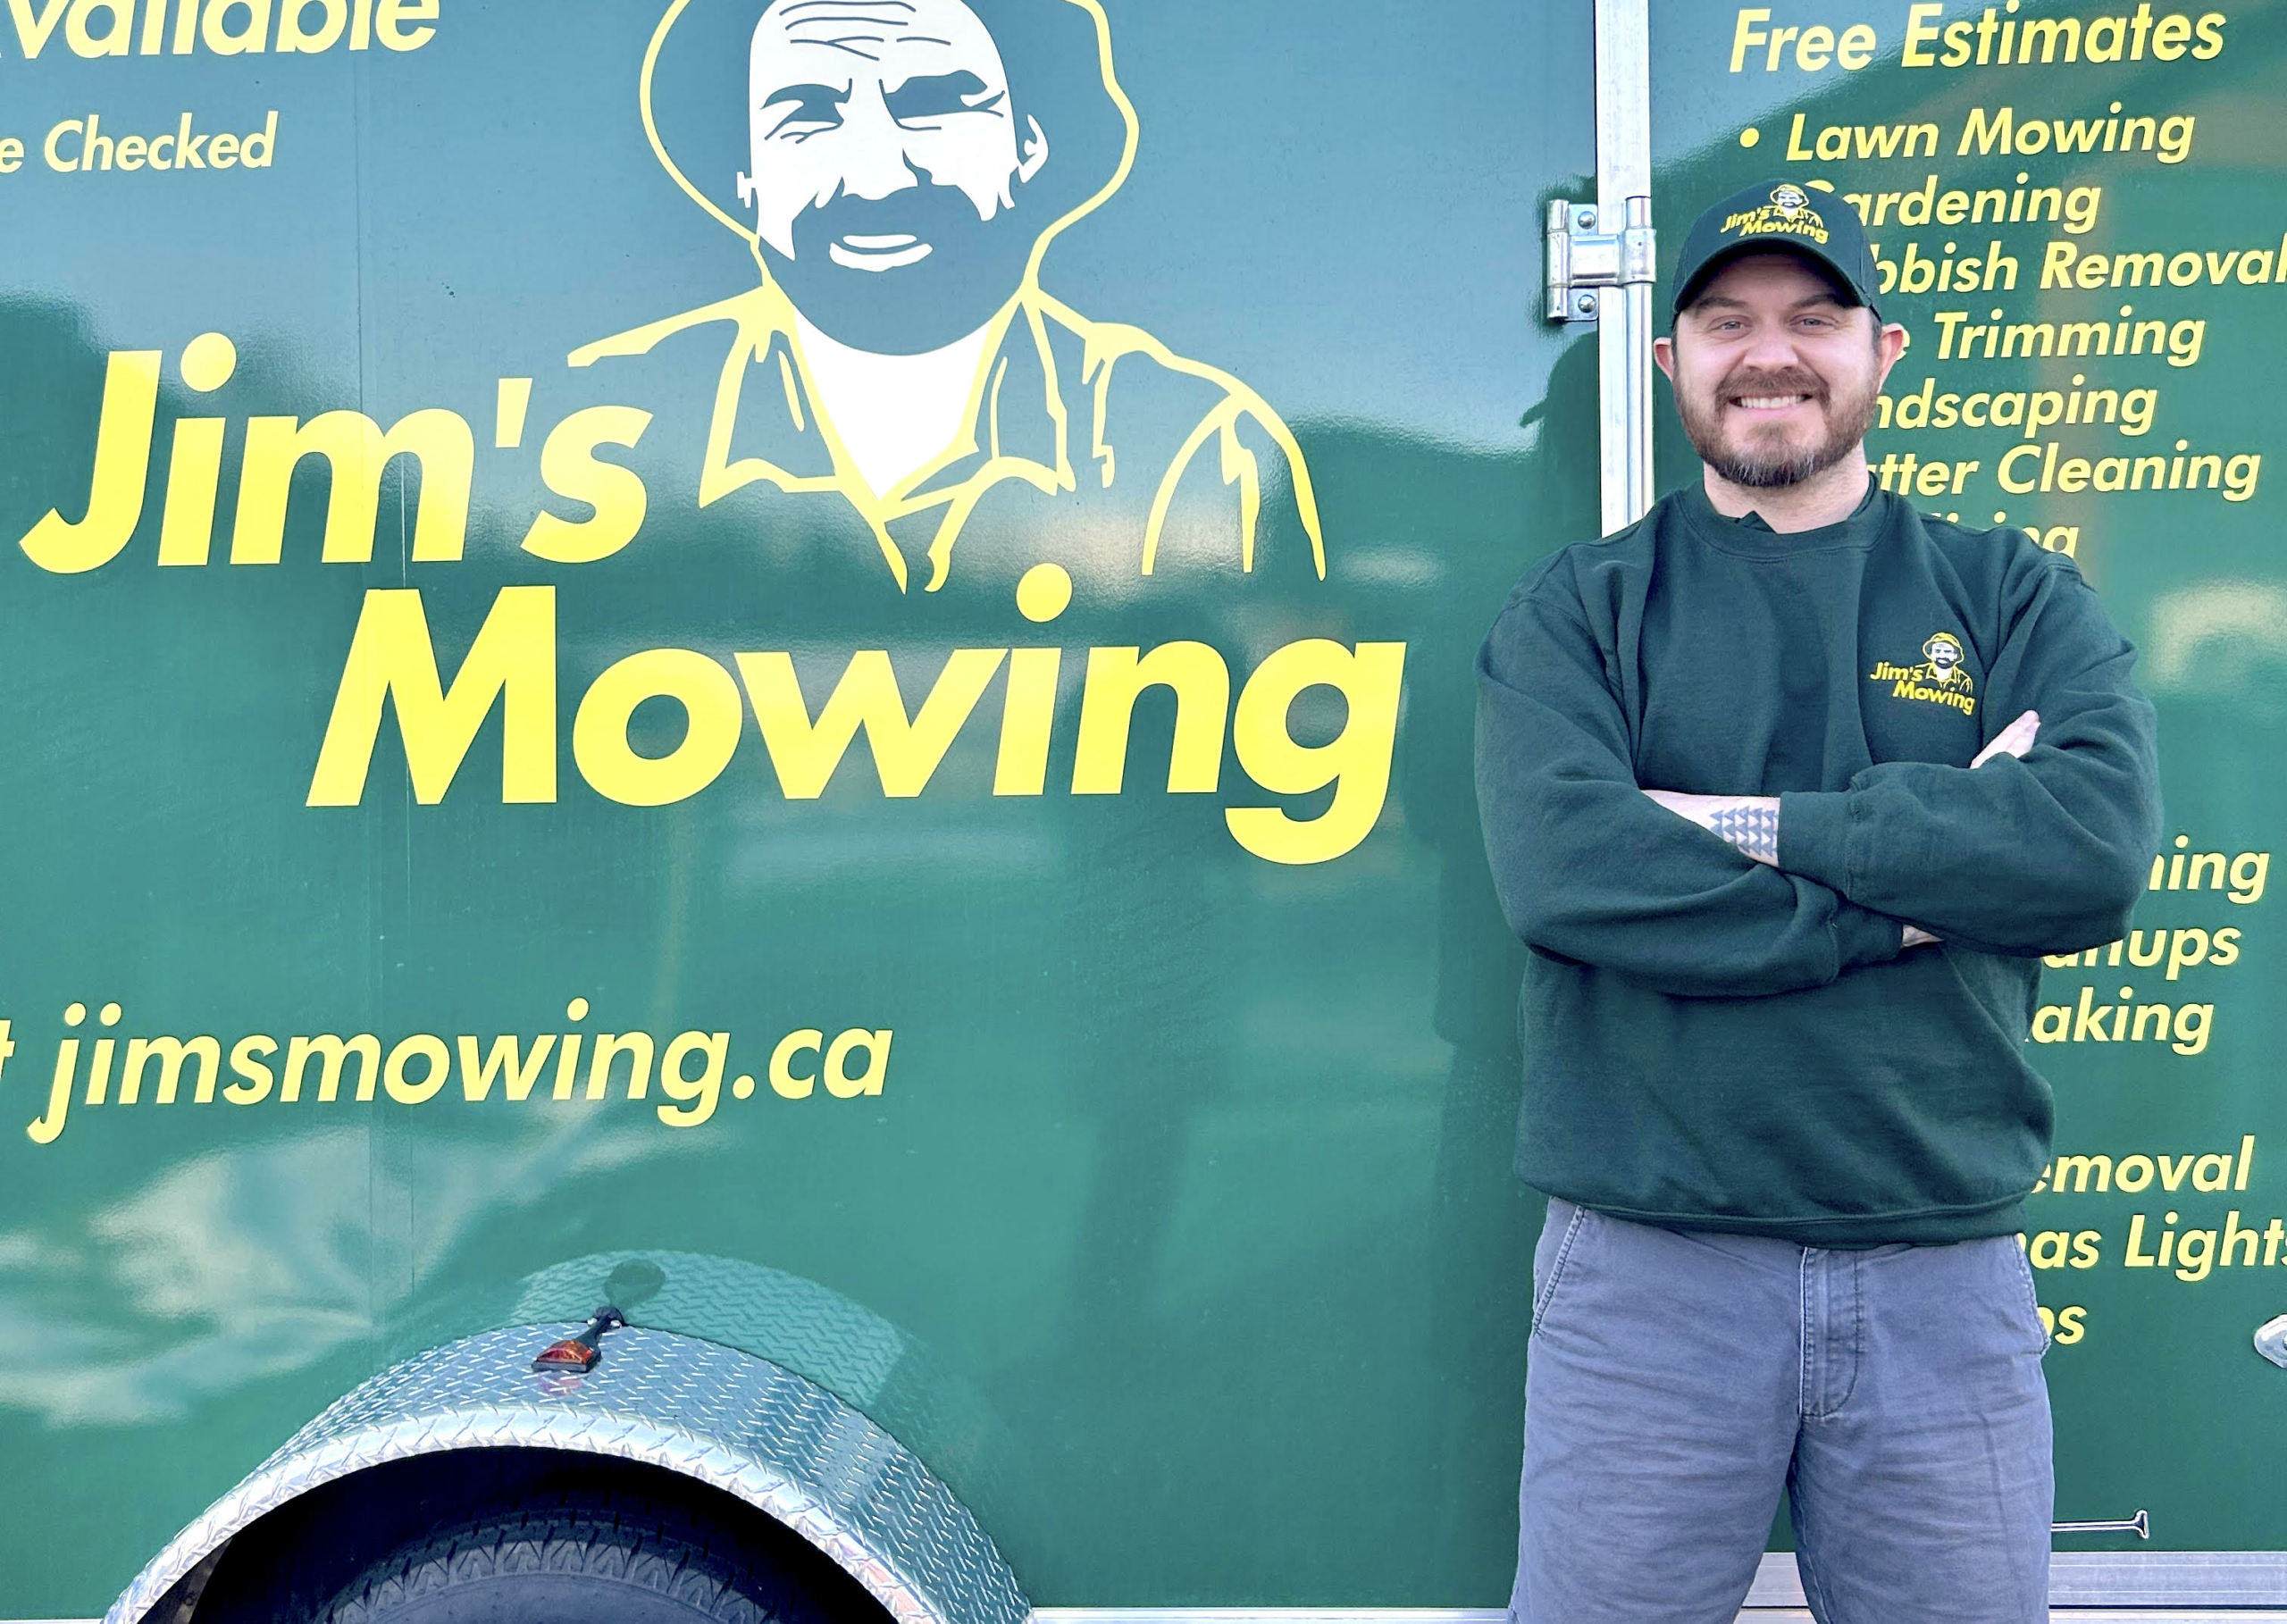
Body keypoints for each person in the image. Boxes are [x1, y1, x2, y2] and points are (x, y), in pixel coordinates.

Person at [1475, 179, 2162, 1623]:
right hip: (1648, 1277)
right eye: (1726, 319)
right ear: (1668, 361)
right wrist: (1918, 891)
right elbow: (1573, 873)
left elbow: (2089, 848)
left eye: (1812, 317)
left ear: (1883, 350)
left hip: (1942, 1277)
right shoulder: (1581, 610)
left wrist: (1763, 833)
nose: (1769, 353)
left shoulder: (2009, 596)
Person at [570, 0, 1322, 594]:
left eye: (932, 103)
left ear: (1032, 147)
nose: (877, 176)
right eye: (807, 114)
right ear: (745, 178)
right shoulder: (603, 417)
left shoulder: (1197, 446)